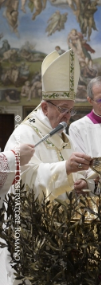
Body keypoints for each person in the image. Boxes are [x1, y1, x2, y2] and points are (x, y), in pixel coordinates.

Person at [5, 49, 92, 202]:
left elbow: (74, 176)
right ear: (45, 108)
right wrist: (65, 168)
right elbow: (22, 183)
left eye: (71, 110)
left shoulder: (63, 136)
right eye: (63, 109)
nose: (67, 115)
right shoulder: (24, 134)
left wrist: (81, 181)